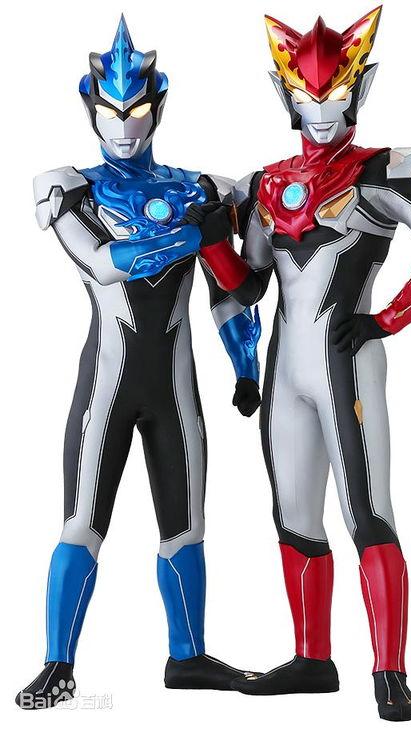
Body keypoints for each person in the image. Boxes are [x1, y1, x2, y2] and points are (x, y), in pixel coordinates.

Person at [196, 7, 411, 720]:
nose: (321, 108)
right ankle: (313, 659)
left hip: (348, 361)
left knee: (368, 512)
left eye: (335, 93)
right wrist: (211, 240)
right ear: (284, 94)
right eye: (307, 95)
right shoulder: (266, 183)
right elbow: (247, 286)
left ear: (358, 90)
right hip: (288, 368)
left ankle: (390, 672)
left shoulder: (382, 170)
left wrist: (385, 319)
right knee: (293, 514)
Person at [16, 16, 260, 710]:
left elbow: (235, 292)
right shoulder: (69, 186)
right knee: (82, 522)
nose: (125, 126)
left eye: (138, 111)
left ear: (159, 106)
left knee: (186, 525)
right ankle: (57, 665)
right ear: (90, 107)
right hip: (108, 382)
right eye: (112, 112)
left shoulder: (203, 187)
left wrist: (246, 365)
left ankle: (188, 656)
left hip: (176, 385)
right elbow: (104, 261)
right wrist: (193, 236)